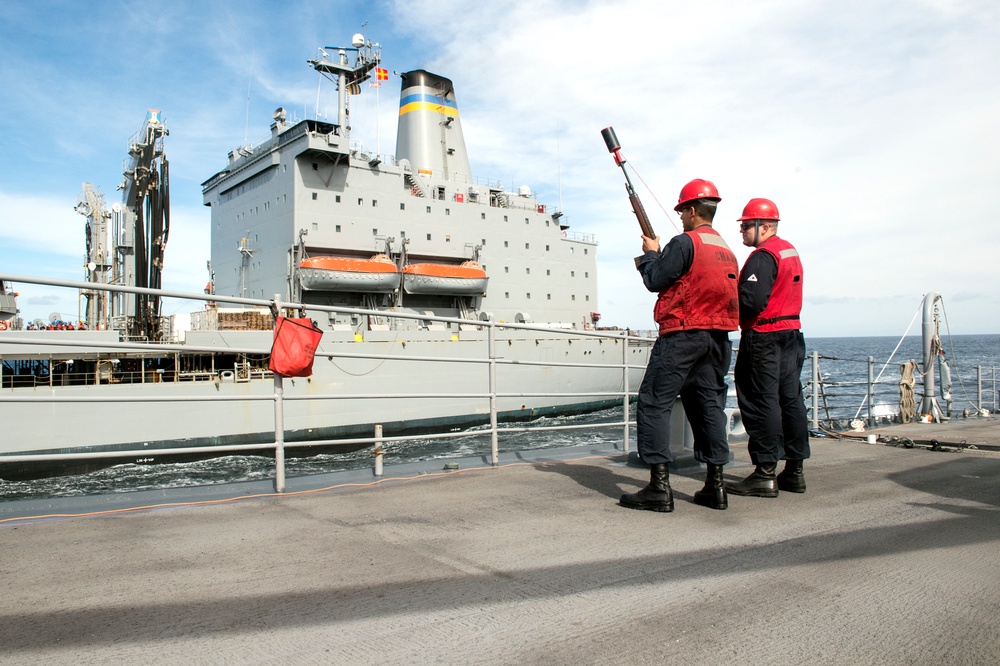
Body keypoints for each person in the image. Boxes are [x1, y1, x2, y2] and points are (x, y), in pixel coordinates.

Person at [620, 179, 740, 512]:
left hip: (683, 334)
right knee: (708, 407)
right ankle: (715, 487)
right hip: (717, 339)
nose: (681, 216)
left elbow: (656, 281)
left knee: (654, 401)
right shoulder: (726, 250)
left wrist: (651, 255)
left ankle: (659, 487)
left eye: (682, 210)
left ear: (690, 210)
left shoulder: (685, 243)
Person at [727, 198, 810, 497]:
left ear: (765, 226)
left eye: (746, 225)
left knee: (761, 401)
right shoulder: (790, 251)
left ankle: (764, 472)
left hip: (764, 337)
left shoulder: (763, 256)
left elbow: (751, 301)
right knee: (790, 400)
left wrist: (729, 301)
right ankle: (794, 471)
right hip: (792, 335)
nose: (742, 231)